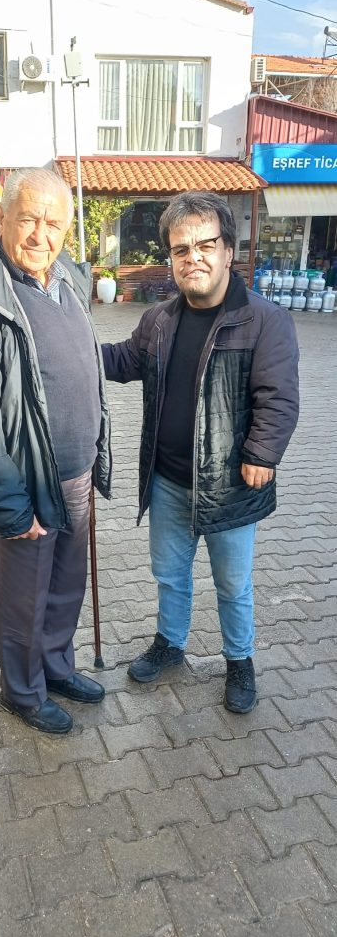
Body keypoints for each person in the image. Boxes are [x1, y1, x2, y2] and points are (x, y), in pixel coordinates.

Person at [102, 191, 299, 714]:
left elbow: (278, 398)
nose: (193, 257)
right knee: (169, 573)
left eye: (205, 245)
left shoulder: (264, 321)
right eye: (181, 248)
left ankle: (240, 660)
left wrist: (263, 453)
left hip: (232, 483)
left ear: (228, 250)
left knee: (232, 584)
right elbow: (124, 360)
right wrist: (72, 348)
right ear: (171, 257)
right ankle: (170, 643)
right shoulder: (159, 320)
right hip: (167, 478)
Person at [0, 168, 111, 734]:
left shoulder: (68, 277)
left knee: (65, 587)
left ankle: (56, 668)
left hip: (76, 473)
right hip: (27, 481)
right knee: (25, 599)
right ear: (2, 218)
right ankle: (21, 692)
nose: (41, 234)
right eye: (29, 219)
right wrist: (12, 510)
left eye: (54, 223)